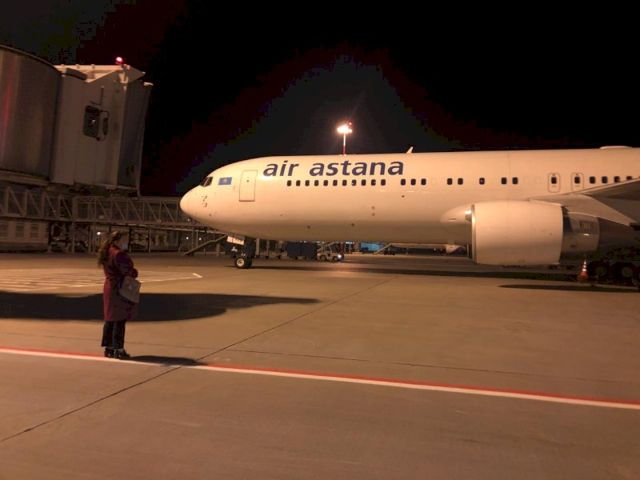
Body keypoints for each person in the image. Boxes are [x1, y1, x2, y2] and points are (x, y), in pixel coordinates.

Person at [97, 231, 138, 359]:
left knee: (110, 318)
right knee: (120, 319)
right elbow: (128, 271)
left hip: (109, 286)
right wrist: (134, 272)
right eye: (124, 239)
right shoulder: (118, 254)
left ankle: (109, 348)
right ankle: (119, 349)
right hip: (119, 287)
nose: (126, 242)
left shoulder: (106, 251)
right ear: (117, 240)